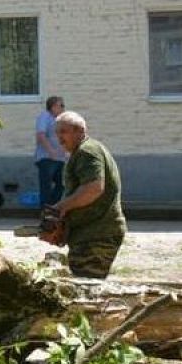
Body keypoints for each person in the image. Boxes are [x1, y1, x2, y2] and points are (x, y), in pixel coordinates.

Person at [52, 111, 126, 279]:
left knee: (88, 289)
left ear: (79, 131)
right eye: (57, 133)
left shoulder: (87, 152)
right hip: (89, 234)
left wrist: (61, 208)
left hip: (97, 235)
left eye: (63, 132)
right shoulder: (82, 152)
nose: (59, 138)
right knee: (86, 287)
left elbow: (93, 188)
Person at [35, 96, 67, 206]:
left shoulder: (61, 120)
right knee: (46, 186)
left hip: (60, 158)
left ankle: (52, 208)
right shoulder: (45, 117)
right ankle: (45, 211)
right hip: (46, 158)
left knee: (62, 184)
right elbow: (40, 135)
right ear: (53, 107)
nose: (63, 108)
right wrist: (51, 151)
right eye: (61, 105)